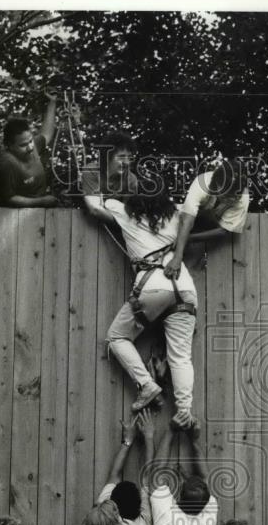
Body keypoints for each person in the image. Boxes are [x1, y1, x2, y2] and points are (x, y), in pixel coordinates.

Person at [85, 180, 198, 429]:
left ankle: (147, 385)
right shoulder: (178, 213)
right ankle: (184, 411)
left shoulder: (124, 212)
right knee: (180, 356)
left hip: (153, 287)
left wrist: (90, 176)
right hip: (185, 288)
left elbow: (94, 207)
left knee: (116, 338)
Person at [163, 158, 250, 280]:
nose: (227, 198)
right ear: (217, 184)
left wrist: (191, 238)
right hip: (186, 219)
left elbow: (224, 230)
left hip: (211, 226)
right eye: (225, 194)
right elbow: (187, 219)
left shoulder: (242, 198)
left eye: (231, 196)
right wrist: (178, 257)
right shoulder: (202, 182)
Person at [0, 93, 60, 208]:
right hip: (13, 217)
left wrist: (52, 103)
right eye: (23, 145)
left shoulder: (32, 146)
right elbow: (9, 198)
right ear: (9, 145)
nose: (30, 147)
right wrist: (41, 202)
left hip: (40, 213)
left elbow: (46, 134)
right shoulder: (6, 164)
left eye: (30, 141)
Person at [80, 130, 139, 206]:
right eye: (121, 157)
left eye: (129, 158)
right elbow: (94, 209)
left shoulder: (131, 179)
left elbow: (129, 213)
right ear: (108, 156)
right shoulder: (92, 171)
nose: (127, 162)